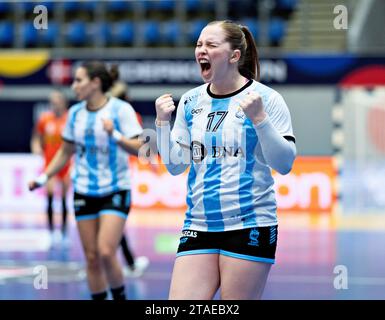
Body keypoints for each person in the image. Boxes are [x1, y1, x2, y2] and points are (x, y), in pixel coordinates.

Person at [155, 20, 296, 300]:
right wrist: (161, 123)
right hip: (199, 224)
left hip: (249, 224)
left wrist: (260, 119)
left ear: (234, 56)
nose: (201, 50)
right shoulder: (191, 101)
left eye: (211, 44)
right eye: (198, 44)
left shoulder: (266, 99)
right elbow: (175, 166)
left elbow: (284, 164)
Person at [29, 61, 143, 300]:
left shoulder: (121, 110)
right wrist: (43, 177)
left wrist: (115, 134)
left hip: (115, 190)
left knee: (105, 251)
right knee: (91, 257)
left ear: (95, 83)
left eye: (79, 80)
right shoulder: (75, 113)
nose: (74, 86)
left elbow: (138, 148)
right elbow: (65, 151)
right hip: (83, 191)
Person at [108, 70, 150, 277]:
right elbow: (141, 147)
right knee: (113, 221)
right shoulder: (129, 115)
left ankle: (125, 262)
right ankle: (127, 262)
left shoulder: (104, 113)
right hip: (116, 178)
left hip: (112, 174)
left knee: (112, 222)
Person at [30, 89, 71, 247]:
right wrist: (36, 148)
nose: (54, 104)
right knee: (50, 197)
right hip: (50, 165)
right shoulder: (45, 119)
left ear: (63, 102)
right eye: (52, 102)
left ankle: (65, 233)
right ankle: (51, 232)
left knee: (64, 200)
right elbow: (36, 137)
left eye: (57, 101)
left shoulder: (69, 119)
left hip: (66, 165)